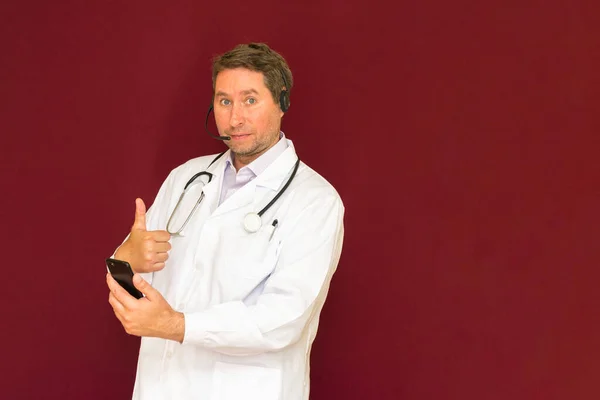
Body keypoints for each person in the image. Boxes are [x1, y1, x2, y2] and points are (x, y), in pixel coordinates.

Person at [106, 42, 345, 400]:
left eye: (250, 100)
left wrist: (177, 326)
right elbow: (138, 281)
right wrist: (126, 257)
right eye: (224, 101)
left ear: (282, 102)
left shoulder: (315, 201)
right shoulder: (187, 178)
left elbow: (283, 319)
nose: (235, 118)